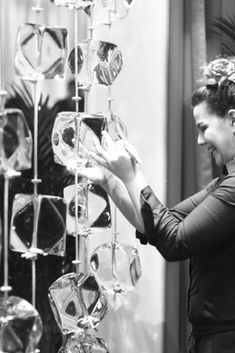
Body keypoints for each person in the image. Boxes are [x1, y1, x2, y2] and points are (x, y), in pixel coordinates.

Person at [73, 57, 235, 353]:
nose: (199, 140)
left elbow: (175, 242)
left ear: (233, 120)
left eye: (203, 128)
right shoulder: (223, 185)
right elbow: (161, 224)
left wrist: (133, 175)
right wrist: (112, 181)